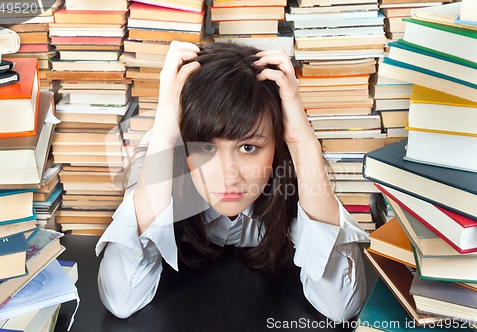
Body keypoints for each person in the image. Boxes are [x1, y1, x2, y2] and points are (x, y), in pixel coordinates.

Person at [96, 41, 370, 322]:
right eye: (205, 148)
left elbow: (340, 307)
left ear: (277, 144)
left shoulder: (292, 163)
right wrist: (165, 136)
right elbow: (122, 299)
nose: (229, 176)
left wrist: (303, 143)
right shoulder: (159, 158)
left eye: (248, 148)